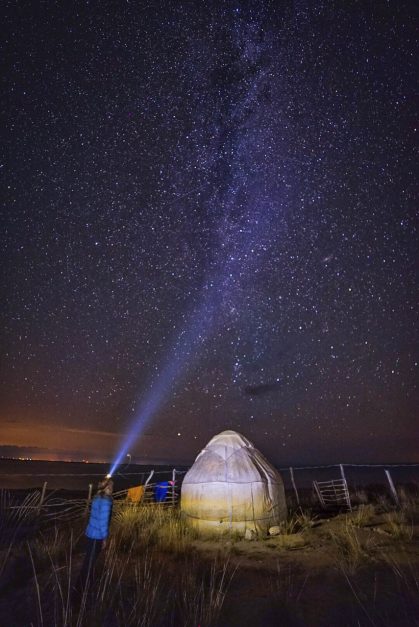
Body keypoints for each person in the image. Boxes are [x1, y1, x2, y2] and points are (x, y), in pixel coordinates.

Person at [78, 477, 113, 590]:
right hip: (97, 536)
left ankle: (83, 583)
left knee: (88, 560)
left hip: (90, 533)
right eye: (111, 486)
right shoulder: (106, 502)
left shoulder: (96, 498)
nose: (112, 489)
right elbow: (103, 523)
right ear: (107, 487)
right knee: (90, 563)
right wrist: (104, 539)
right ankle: (84, 586)